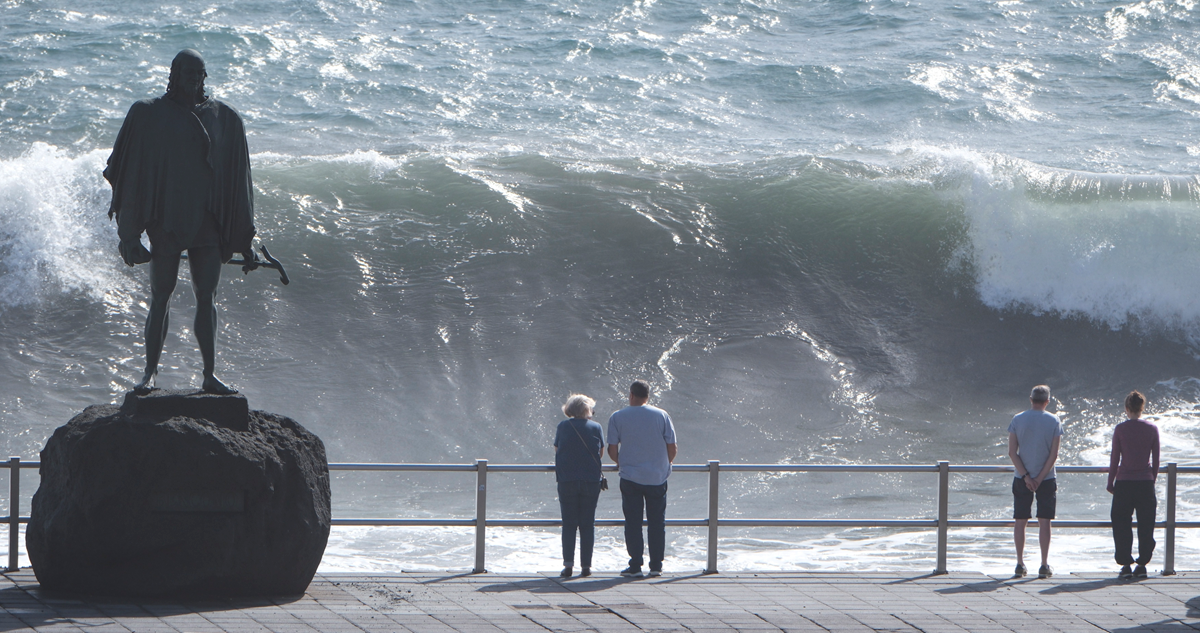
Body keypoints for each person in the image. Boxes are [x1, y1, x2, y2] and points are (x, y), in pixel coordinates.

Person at [104, 49, 257, 395]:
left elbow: (239, 182)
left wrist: (242, 238)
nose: (192, 77)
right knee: (161, 295)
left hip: (207, 222)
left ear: (205, 76)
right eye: (185, 71)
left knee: (208, 296)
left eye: (198, 72)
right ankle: (149, 373)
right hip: (167, 222)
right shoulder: (148, 114)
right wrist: (129, 234)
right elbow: (129, 173)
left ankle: (209, 375)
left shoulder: (225, 117)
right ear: (172, 73)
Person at [607, 380, 676, 578]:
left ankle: (635, 565)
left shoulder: (618, 416)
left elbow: (612, 449)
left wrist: (622, 463)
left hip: (630, 477)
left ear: (631, 395)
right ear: (648, 396)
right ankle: (656, 566)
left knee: (633, 521)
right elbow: (672, 446)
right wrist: (665, 464)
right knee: (657, 522)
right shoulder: (661, 415)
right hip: (657, 477)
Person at [1007, 384, 1063, 579]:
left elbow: (1012, 452)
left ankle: (1020, 563)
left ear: (1031, 400)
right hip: (1046, 478)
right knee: (1044, 521)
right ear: (1047, 401)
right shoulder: (1054, 420)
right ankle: (1044, 564)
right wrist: (1039, 478)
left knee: (1020, 521)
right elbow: (1054, 455)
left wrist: (1026, 477)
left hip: (1022, 477)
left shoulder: (1018, 419)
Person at [1108, 390, 1160, 579]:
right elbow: (1156, 461)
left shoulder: (1120, 429)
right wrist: (1151, 479)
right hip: (1145, 483)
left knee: (1121, 522)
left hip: (1124, 482)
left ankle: (1126, 564)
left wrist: (1110, 481)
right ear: (1142, 408)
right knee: (1146, 524)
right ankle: (1142, 563)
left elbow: (1115, 459)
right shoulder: (1152, 429)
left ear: (1127, 408)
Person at [553, 394, 605, 579]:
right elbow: (600, 452)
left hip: (567, 479)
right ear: (587, 410)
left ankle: (568, 566)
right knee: (587, 524)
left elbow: (558, 449)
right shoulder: (596, 427)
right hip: (591, 480)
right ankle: (586, 567)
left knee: (569, 524)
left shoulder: (563, 426)